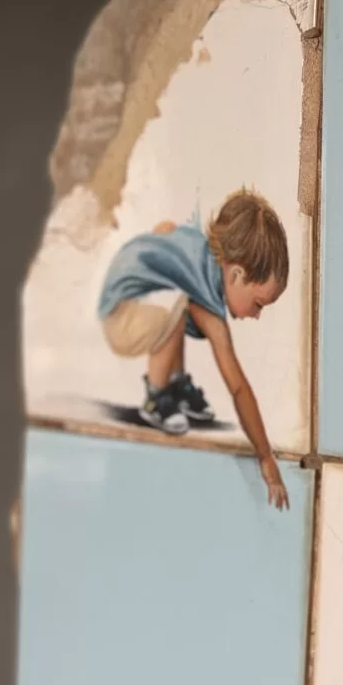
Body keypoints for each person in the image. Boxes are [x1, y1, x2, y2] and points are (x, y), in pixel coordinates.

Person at [97, 189, 290, 509]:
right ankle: (158, 396)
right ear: (236, 274)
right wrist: (266, 456)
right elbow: (238, 387)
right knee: (178, 298)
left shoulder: (199, 253)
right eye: (258, 304)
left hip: (128, 301)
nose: (257, 316)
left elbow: (166, 229)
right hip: (121, 316)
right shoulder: (205, 299)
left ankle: (176, 384)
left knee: (177, 296)